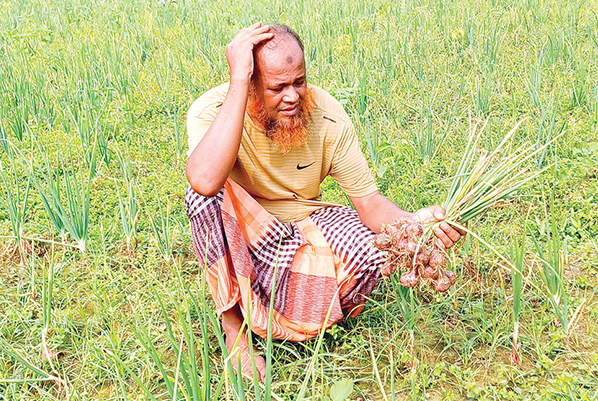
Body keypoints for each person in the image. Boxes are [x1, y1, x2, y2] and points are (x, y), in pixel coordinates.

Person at [185, 23, 464, 382]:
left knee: (373, 250)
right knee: (203, 197)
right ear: (252, 84)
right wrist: (238, 81)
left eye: (298, 82)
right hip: (244, 229)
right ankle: (235, 326)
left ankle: (291, 309)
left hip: (304, 223)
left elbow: (369, 202)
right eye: (276, 87)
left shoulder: (326, 113)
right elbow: (205, 180)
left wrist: (414, 226)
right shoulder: (213, 110)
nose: (292, 97)